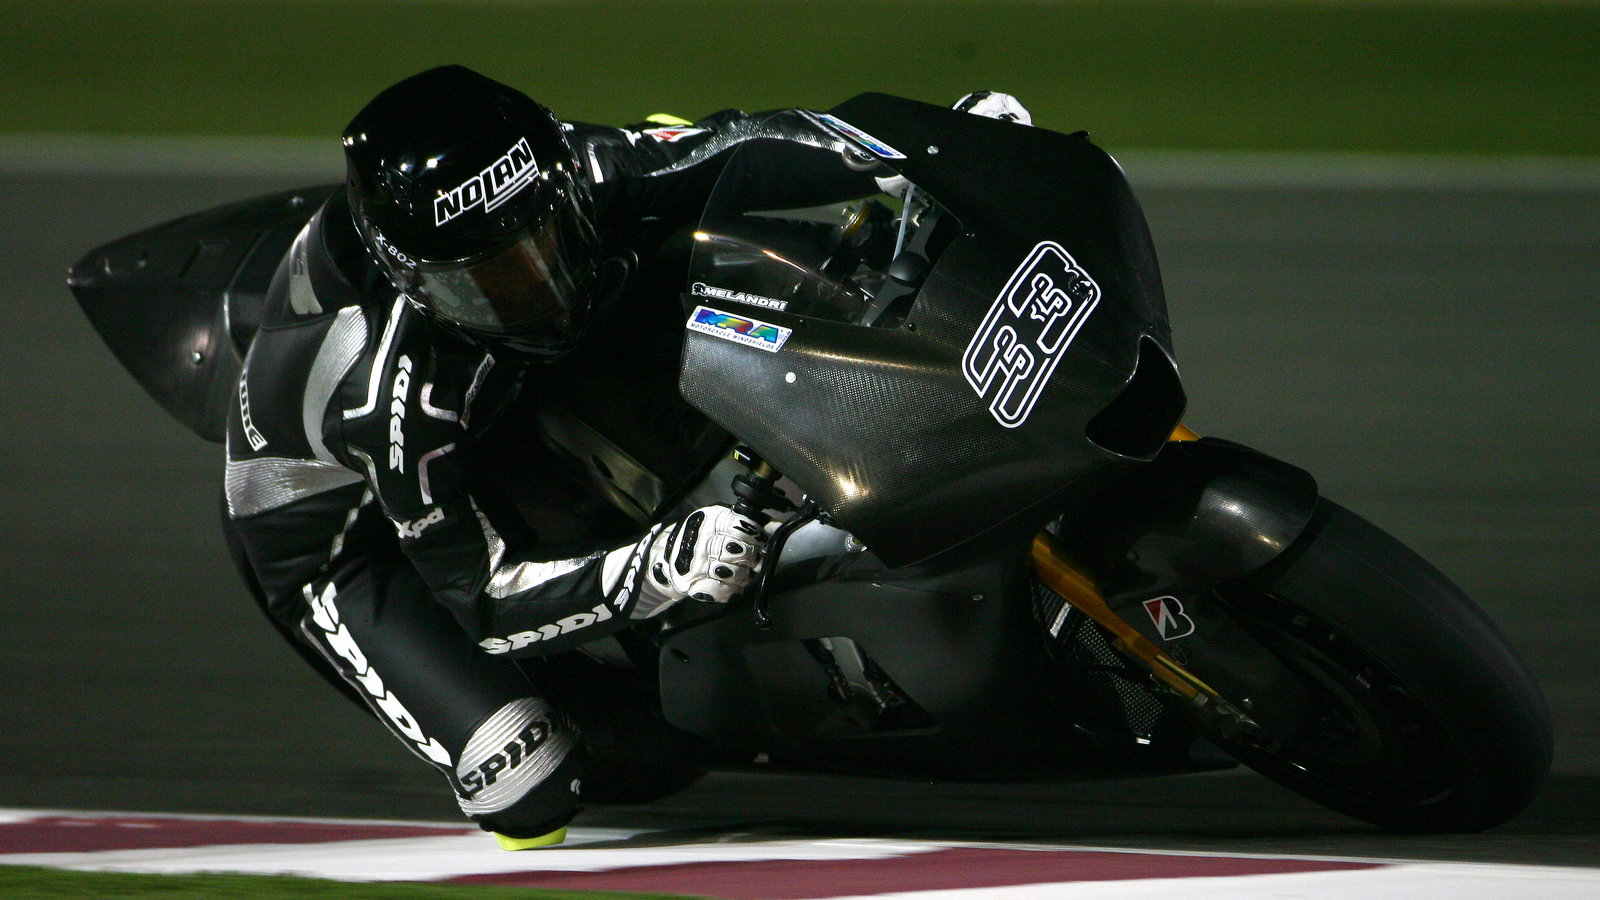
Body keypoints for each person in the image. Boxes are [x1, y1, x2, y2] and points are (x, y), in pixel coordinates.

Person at [221, 64, 1029, 848]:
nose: (536, 287)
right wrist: (649, 571)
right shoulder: (395, 396)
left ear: (558, 185)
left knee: (692, 223)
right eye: (488, 283)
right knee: (527, 783)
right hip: (346, 545)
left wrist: (926, 149)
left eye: (543, 242)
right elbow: (481, 596)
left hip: (507, 379)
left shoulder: (576, 164)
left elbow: (739, 144)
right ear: (420, 287)